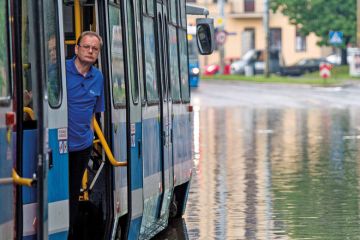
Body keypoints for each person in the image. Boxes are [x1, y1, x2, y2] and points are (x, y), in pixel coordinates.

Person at [66, 31, 104, 240]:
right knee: (59, 193)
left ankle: (69, 234)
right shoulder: (61, 71)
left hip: (82, 147)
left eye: (95, 49)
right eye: (86, 47)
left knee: (73, 193)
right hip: (58, 145)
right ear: (76, 49)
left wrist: (88, 136)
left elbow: (95, 111)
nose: (90, 51)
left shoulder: (98, 77)